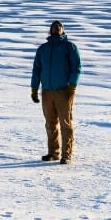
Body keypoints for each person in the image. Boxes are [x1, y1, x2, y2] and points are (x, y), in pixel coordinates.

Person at [30, 20, 82, 164]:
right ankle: (53, 152)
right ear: (50, 30)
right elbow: (37, 69)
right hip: (47, 91)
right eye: (54, 26)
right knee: (50, 122)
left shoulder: (69, 47)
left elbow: (76, 67)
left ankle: (67, 154)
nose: (57, 27)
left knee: (66, 123)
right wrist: (34, 88)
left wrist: (72, 86)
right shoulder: (43, 49)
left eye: (60, 26)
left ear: (63, 30)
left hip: (64, 91)